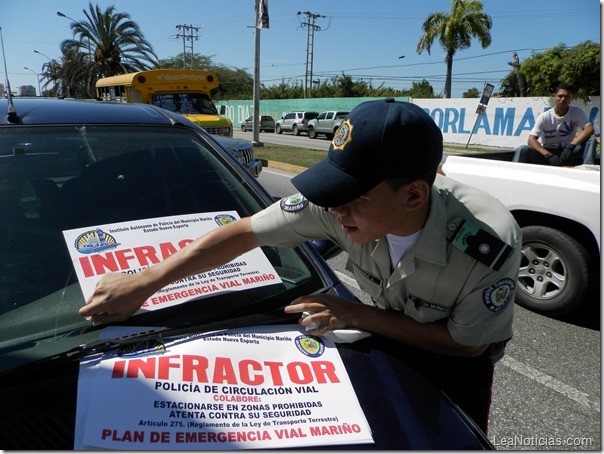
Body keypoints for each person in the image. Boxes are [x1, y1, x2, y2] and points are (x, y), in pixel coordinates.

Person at [80, 98, 521, 433]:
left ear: (412, 196)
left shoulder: (485, 242)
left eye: (354, 200)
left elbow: (467, 347)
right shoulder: (336, 204)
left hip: (456, 360)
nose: (335, 211)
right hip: (390, 335)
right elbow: (245, 232)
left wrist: (359, 314)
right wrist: (146, 281)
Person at [513, 82, 597, 166]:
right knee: (523, 149)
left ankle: (588, 169)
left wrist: (571, 145)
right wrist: (548, 155)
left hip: (567, 152)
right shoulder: (544, 116)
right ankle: (512, 174)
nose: (563, 99)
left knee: (591, 141)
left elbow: (589, 129)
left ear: (572, 98)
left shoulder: (577, 112)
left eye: (567, 97)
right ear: (555, 96)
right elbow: (531, 140)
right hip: (547, 153)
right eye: (560, 96)